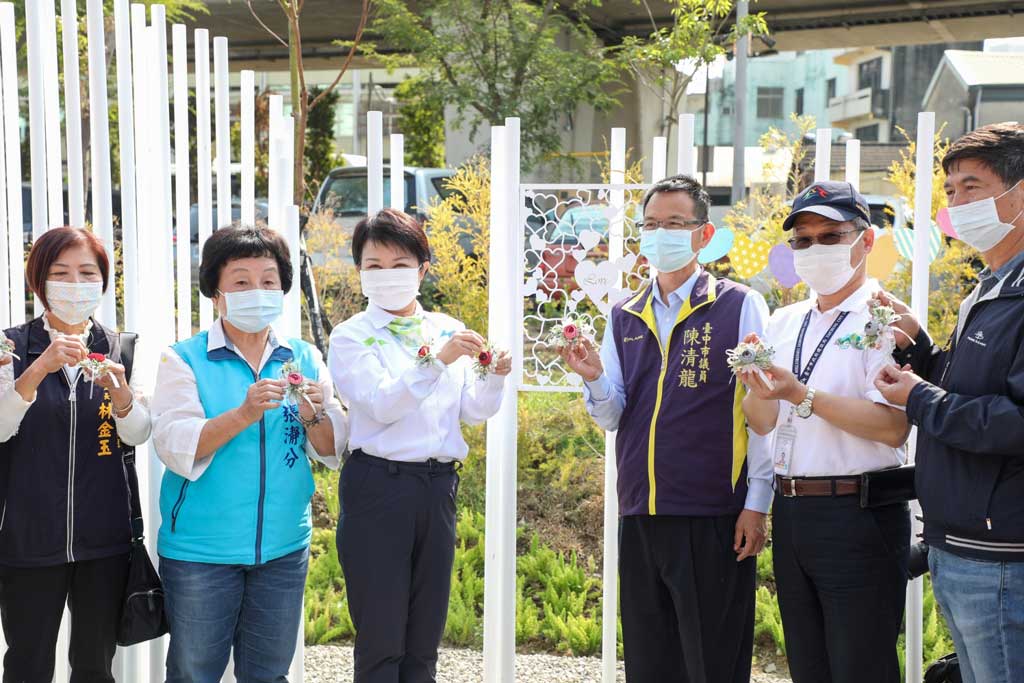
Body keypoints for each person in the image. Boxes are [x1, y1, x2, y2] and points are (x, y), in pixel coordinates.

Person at [561, 175, 773, 683]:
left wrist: (757, 504)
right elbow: (614, 414)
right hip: (640, 514)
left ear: (704, 234)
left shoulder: (739, 304)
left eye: (675, 224)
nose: (661, 235)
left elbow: (762, 412)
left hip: (713, 514)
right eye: (652, 225)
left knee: (712, 664)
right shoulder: (623, 315)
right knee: (651, 664)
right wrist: (593, 378)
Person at [150, 224, 348, 683]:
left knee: (268, 675)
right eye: (241, 281)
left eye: (268, 280)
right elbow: (175, 444)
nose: (256, 291)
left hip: (283, 548)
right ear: (215, 293)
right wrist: (243, 413)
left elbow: (331, 448)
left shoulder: (303, 357)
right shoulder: (183, 359)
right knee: (194, 673)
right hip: (201, 553)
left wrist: (315, 413)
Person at [328, 208, 510, 683]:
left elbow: (471, 411)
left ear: (423, 269)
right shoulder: (351, 337)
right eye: (374, 265)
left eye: (400, 264)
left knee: (425, 637)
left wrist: (493, 376)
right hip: (379, 488)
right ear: (360, 273)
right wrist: (438, 361)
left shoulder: (445, 327)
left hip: (437, 487)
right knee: (382, 639)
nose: (388, 276)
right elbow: (382, 404)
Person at [741, 181, 911, 683]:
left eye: (831, 236)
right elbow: (763, 422)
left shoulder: (886, 320)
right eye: (803, 240)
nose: (816, 250)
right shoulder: (784, 320)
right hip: (794, 513)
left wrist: (801, 396)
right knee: (809, 667)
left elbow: (894, 426)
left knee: (861, 666)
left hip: (859, 513)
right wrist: (757, 388)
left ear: (867, 242)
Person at [875, 122, 1024, 683]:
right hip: (962, 544)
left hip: (1004, 556)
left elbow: (1014, 422)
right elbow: (975, 391)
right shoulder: (989, 288)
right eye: (951, 191)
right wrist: (923, 350)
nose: (957, 203)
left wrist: (921, 399)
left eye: (972, 186)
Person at [0, 226, 152, 683]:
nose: (74, 284)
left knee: (93, 665)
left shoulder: (118, 346)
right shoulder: (11, 347)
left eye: (87, 273)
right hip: (28, 539)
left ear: (103, 283)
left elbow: (140, 433)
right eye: (60, 273)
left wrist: (123, 396)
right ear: (39, 281)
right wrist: (39, 367)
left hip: (104, 540)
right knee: (27, 664)